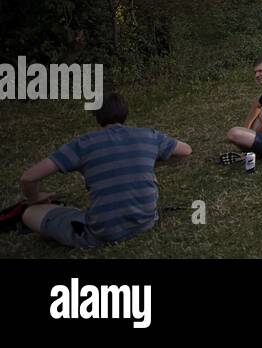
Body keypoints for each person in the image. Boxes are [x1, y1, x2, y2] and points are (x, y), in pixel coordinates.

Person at [18, 93, 192, 249]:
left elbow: (28, 178)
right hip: (145, 222)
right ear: (126, 112)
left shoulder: (82, 144)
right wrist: (148, 164)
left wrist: (35, 198)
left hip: (102, 232)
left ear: (96, 116)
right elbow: (185, 151)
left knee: (30, 214)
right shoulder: (149, 136)